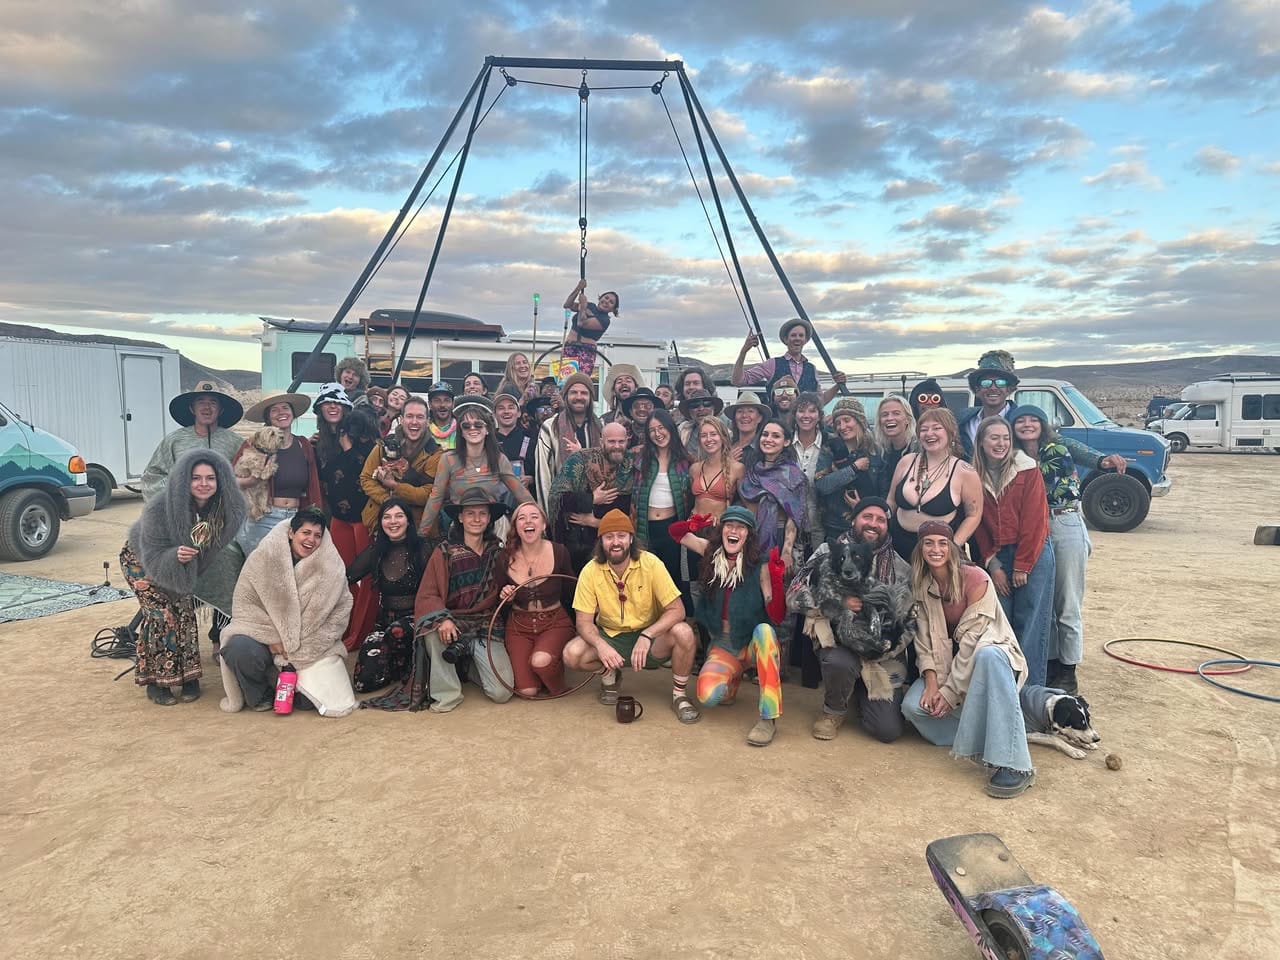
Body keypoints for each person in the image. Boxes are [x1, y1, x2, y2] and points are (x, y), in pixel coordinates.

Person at [900, 521, 1044, 798]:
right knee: (913, 708)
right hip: (948, 666)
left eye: (942, 543)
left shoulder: (976, 578)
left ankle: (1015, 764)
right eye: (928, 543)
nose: (936, 549)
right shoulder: (920, 583)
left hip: (988, 659)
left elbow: (972, 642)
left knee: (988, 655)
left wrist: (950, 692)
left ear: (952, 548)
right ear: (921, 549)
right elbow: (923, 642)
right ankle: (998, 732)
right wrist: (932, 683)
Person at [365, 489, 513, 713]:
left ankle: (467, 665)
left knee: (502, 693)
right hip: (452, 623)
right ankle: (447, 694)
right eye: (470, 513)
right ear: (460, 518)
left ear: (490, 517)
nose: (476, 519)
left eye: (482, 514)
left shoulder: (499, 551)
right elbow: (428, 594)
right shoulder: (444, 551)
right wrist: (442, 619)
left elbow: (506, 586)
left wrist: (508, 592)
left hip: (486, 625)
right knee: (431, 628)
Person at [120, 450, 246, 705]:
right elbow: (152, 553)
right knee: (162, 617)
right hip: (143, 560)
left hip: (182, 563)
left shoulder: (223, 510)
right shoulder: (159, 507)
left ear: (220, 480)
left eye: (210, 478)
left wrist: (186, 576)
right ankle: (156, 682)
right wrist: (173, 557)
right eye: (196, 478)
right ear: (184, 480)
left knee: (185, 613)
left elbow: (210, 552)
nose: (203, 484)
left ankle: (188, 677)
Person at [789, 497, 914, 743]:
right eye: (867, 516)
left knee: (887, 731)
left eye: (880, 520)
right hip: (839, 647)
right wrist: (837, 603)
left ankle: (859, 693)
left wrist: (882, 651)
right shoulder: (828, 552)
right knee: (839, 661)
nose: (873, 524)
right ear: (854, 519)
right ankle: (833, 710)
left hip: (881, 657)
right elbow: (793, 595)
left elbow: (908, 622)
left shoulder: (901, 568)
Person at [563, 510, 701, 723]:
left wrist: (647, 635)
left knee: (684, 632)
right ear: (601, 541)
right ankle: (610, 673)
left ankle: (680, 696)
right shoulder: (590, 570)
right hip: (610, 637)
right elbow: (583, 622)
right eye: (609, 537)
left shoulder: (651, 563)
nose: (615, 542)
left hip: (650, 641)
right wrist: (601, 646)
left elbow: (678, 610)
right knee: (571, 654)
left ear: (631, 538)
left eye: (621, 536)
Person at [217, 508, 356, 716]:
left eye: (317, 535)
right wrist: (274, 640)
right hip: (268, 642)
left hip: (310, 646)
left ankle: (291, 685)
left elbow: (340, 613)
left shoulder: (332, 568)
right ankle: (259, 694)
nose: (311, 540)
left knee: (307, 703)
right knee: (239, 648)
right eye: (306, 533)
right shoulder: (262, 558)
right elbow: (246, 605)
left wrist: (303, 649)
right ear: (292, 533)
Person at [676, 507, 787, 746]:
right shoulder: (710, 552)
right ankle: (732, 681)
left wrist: (777, 583)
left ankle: (768, 717)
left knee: (766, 632)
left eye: (741, 527)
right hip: (724, 646)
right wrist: (693, 523)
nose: (734, 530)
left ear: (748, 535)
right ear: (722, 530)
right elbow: (676, 533)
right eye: (729, 525)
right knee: (707, 696)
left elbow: (777, 614)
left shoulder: (760, 564)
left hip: (753, 644)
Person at [971, 416, 1055, 687]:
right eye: (994, 437)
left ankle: (1030, 692)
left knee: (1031, 622)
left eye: (1005, 437)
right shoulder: (974, 474)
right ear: (981, 442)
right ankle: (1005, 688)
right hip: (997, 555)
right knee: (1000, 623)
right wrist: (992, 565)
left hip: (1032, 552)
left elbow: (1035, 519)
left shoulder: (1027, 469)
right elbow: (977, 522)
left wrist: (1022, 564)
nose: (1001, 443)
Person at [1012, 405, 1089, 694]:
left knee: (1067, 601)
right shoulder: (1015, 456)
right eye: (1021, 420)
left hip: (1062, 520)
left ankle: (1068, 671)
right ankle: (1053, 663)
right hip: (1034, 526)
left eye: (1034, 420)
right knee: (1044, 599)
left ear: (1043, 425)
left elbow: (1035, 483)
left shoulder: (1056, 451)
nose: (1028, 424)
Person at [312, 383, 380, 651]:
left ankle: (361, 633)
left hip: (363, 516)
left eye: (337, 403)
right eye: (327, 402)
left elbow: (369, 472)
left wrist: (349, 448)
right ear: (319, 408)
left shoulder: (361, 432)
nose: (332, 406)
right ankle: (346, 628)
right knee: (342, 577)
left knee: (366, 579)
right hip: (338, 518)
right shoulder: (320, 442)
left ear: (345, 407)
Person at [345, 497, 432, 690]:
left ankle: (412, 666)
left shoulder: (422, 548)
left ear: (408, 521)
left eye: (399, 516)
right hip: (384, 620)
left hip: (416, 618)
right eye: (387, 517)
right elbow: (347, 577)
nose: (393, 522)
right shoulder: (376, 550)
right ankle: (397, 668)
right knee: (363, 682)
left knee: (397, 631)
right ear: (381, 522)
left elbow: (436, 587)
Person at [417, 395, 532, 538]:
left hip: (495, 527)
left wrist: (538, 519)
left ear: (487, 429)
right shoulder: (448, 459)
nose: (472, 428)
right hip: (461, 526)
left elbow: (520, 493)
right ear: (462, 432)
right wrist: (421, 534)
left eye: (478, 425)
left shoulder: (498, 459)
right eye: (466, 425)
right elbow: (436, 497)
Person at [496, 501, 576, 697]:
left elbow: (573, 590)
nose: (528, 521)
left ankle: (550, 670)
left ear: (543, 524)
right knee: (527, 691)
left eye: (534, 516)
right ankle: (541, 668)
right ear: (515, 527)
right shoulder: (504, 557)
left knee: (539, 661)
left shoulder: (560, 551)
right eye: (521, 518)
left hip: (554, 622)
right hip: (518, 626)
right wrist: (505, 595)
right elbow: (497, 595)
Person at [887, 407, 983, 562]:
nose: (929, 434)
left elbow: (973, 515)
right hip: (897, 549)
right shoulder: (906, 461)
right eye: (924, 429)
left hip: (937, 554)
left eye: (937, 428)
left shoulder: (965, 472)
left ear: (951, 433)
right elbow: (891, 501)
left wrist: (952, 546)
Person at [234, 391, 322, 554]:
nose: (281, 412)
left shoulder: (303, 445)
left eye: (285, 407)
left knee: (290, 572)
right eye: (274, 410)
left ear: (293, 413)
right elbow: (230, 482)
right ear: (268, 417)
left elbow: (313, 485)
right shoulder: (254, 444)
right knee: (263, 573)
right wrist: (251, 482)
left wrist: (315, 518)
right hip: (263, 518)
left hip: (296, 519)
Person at [547, 421, 635, 570]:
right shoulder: (580, 460)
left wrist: (594, 522)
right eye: (611, 441)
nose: (617, 446)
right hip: (577, 544)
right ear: (602, 442)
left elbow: (625, 512)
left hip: (614, 544)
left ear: (627, 441)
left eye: (621, 441)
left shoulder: (629, 466)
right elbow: (557, 498)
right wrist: (592, 499)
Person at [140, 380, 245, 501]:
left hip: (223, 512)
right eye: (201, 402)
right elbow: (152, 476)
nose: (207, 407)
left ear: (220, 410)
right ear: (192, 409)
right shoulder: (174, 440)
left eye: (213, 402)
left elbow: (246, 475)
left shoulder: (235, 442)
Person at [632, 409, 693, 607]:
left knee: (670, 579)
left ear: (670, 428)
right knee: (645, 580)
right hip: (645, 527)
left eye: (661, 428)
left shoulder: (685, 461)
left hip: (671, 529)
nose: (658, 434)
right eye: (652, 430)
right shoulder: (641, 459)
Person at [359, 396, 441, 531]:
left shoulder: (435, 453)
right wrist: (386, 500)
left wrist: (394, 486)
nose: (414, 422)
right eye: (409, 416)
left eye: (420, 417)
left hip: (417, 526)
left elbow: (429, 494)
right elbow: (366, 478)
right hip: (380, 521)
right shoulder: (384, 445)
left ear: (427, 422)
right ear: (401, 420)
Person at [737, 419, 808, 572]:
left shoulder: (793, 475)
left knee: (775, 587)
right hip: (750, 535)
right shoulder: (754, 470)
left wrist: (787, 551)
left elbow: (794, 517)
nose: (768, 439)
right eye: (765, 434)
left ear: (787, 442)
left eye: (775, 436)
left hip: (779, 536)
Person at [814, 398, 884, 542]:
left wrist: (862, 507)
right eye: (838, 423)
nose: (842, 426)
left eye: (847, 420)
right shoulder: (828, 450)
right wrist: (853, 468)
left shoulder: (875, 450)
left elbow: (883, 491)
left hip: (868, 527)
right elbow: (822, 486)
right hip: (835, 526)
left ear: (859, 421)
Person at [731, 319, 847, 403]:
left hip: (804, 426)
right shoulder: (772, 364)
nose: (797, 338)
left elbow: (820, 400)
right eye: (793, 335)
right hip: (779, 427)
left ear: (805, 340)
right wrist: (743, 352)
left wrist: (838, 385)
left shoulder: (812, 369)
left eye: (801, 336)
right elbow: (738, 381)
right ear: (786, 340)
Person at [534, 373, 601, 513]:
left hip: (595, 510)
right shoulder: (550, 427)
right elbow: (543, 475)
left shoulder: (601, 426)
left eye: (584, 393)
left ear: (590, 397)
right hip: (561, 509)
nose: (578, 397)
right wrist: (547, 515)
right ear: (565, 396)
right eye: (573, 392)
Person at [689, 417, 743, 521]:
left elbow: (744, 502)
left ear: (723, 437)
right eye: (703, 436)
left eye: (713, 434)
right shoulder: (694, 468)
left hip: (719, 528)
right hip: (695, 527)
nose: (709, 439)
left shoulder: (737, 468)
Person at [562, 279, 618, 377]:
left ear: (613, 309)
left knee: (582, 379)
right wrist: (578, 288)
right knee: (565, 379)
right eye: (606, 298)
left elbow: (581, 323)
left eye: (611, 302)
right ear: (600, 297)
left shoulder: (604, 320)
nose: (606, 301)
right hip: (570, 346)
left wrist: (583, 306)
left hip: (586, 350)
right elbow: (567, 305)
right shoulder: (590, 305)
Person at [875, 393, 915, 486]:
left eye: (896, 413)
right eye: (885, 415)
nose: (889, 418)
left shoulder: (920, 449)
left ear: (908, 419)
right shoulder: (880, 452)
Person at [493, 389, 531, 483]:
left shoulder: (530, 440)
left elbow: (539, 473)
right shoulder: (488, 440)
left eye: (511, 407)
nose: (506, 411)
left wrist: (531, 480)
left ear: (519, 413)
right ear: (494, 414)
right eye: (501, 408)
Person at [726, 391, 770, 469]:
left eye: (750, 411)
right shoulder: (726, 444)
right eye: (740, 411)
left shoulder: (764, 447)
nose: (744, 415)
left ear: (759, 418)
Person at [677, 389, 724, 458]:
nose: (701, 408)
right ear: (689, 411)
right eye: (695, 405)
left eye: (706, 404)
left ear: (713, 408)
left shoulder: (726, 432)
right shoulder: (682, 430)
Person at [619, 386, 661, 450]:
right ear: (630, 412)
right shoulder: (622, 432)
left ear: (654, 410)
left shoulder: (663, 432)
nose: (642, 409)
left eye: (648, 406)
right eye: (637, 406)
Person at [426, 380, 458, 451]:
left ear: (453, 404)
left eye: (447, 400)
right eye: (437, 400)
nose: (442, 405)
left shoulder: (463, 429)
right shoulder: (423, 431)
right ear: (430, 404)